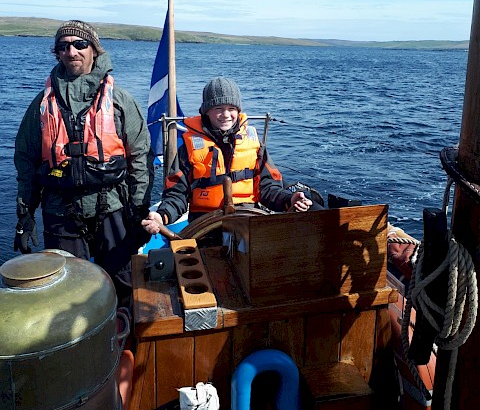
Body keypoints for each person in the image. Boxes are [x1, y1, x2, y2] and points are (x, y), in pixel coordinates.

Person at [14, 20, 153, 304]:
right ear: (57, 53)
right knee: (66, 294)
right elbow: (26, 162)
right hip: (61, 212)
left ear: (94, 51)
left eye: (79, 44)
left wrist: (139, 211)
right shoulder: (42, 105)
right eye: (64, 47)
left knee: (123, 285)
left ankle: (123, 341)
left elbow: (141, 158)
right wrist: (25, 217)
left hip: (112, 209)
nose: (72, 52)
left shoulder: (120, 101)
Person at [142, 77, 318, 239]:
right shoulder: (188, 148)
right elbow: (177, 194)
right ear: (206, 112)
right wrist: (162, 215)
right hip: (205, 228)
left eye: (231, 109)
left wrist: (290, 199)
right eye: (218, 108)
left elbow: (268, 188)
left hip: (248, 224)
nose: (226, 115)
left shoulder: (254, 144)